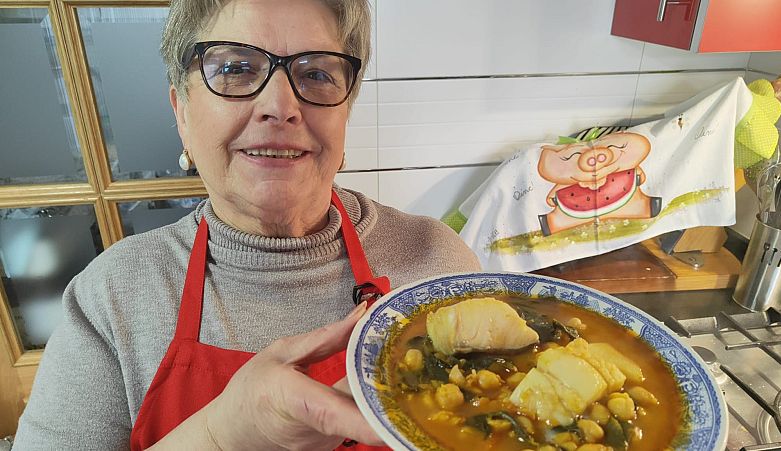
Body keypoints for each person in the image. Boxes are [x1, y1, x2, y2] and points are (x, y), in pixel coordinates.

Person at [12, 0, 481, 449]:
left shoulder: (439, 262)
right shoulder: (111, 298)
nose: (279, 106)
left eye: (316, 73)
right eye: (235, 69)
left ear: (346, 113)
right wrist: (220, 438)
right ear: (182, 113)